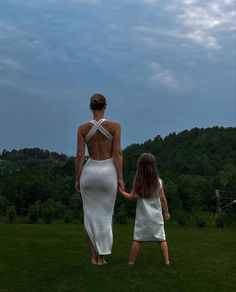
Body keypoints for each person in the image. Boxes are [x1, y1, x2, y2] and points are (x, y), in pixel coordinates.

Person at [75, 93, 124, 266]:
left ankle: (93, 257)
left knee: (89, 216)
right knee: (105, 216)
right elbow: (117, 154)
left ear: (90, 107)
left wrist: (77, 178)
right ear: (105, 107)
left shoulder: (82, 129)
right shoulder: (115, 126)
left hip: (89, 173)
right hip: (107, 173)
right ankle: (102, 257)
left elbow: (80, 156)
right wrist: (120, 178)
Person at [119, 153, 170, 266]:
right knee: (161, 239)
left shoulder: (139, 183)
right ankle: (166, 261)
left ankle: (131, 262)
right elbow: (163, 199)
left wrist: (122, 192)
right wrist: (166, 212)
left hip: (142, 218)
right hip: (156, 216)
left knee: (137, 239)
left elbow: (131, 197)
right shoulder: (159, 182)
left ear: (140, 167)